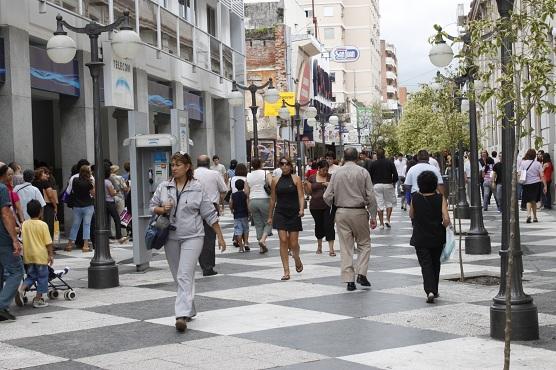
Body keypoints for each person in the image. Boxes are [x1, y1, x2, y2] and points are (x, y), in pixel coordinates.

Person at [150, 152, 226, 332]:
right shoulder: (164, 186)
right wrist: (162, 208)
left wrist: (220, 236)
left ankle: (180, 315)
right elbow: (152, 206)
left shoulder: (197, 187)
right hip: (171, 236)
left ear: (187, 167)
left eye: (178, 165)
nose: (174, 168)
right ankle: (189, 308)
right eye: (172, 165)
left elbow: (209, 212)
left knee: (185, 274)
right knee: (179, 275)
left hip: (193, 236)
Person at [324, 147, 378, 291]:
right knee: (364, 244)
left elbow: (326, 196)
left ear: (344, 157)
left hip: (341, 212)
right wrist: (373, 216)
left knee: (346, 247)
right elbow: (371, 196)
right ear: (357, 158)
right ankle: (361, 272)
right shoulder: (363, 172)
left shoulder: (336, 173)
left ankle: (349, 280)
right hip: (359, 211)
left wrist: (334, 204)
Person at [409, 171, 451, 303]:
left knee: (425, 264)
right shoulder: (440, 198)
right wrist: (444, 225)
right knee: (435, 263)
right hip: (437, 236)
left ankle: (430, 290)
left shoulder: (415, 197)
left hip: (420, 237)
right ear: (434, 184)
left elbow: (411, 215)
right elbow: (446, 219)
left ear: (420, 184)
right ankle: (435, 289)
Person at [268, 157, 304, 281]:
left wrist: (302, 209)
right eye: (282, 164)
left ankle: (297, 258)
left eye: (286, 164)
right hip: (280, 212)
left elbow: (301, 195)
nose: (284, 166)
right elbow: (273, 198)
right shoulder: (275, 180)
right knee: (283, 240)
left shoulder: (296, 179)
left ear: (290, 165)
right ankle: (286, 271)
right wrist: (270, 216)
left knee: (293, 243)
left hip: (294, 212)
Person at [15, 200, 54, 308]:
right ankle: (38, 299)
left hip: (28, 256)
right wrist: (50, 255)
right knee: (42, 277)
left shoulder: (25, 224)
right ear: (41, 212)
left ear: (28, 211)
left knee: (31, 276)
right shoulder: (43, 225)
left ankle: (21, 289)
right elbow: (48, 242)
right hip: (41, 256)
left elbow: (20, 236)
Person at [195, 155, 228, 276]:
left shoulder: (192, 174)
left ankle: (202, 263)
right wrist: (219, 201)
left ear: (197, 163)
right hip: (211, 206)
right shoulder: (214, 174)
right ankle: (208, 266)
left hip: (195, 207)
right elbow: (224, 189)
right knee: (209, 237)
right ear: (209, 163)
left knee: (197, 236)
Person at [0, 180, 23, 321]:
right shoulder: (1, 189)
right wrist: (14, 239)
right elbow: (5, 214)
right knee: (17, 271)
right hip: (2, 238)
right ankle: (1, 305)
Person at [305, 160, 336, 256]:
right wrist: (321, 184)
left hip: (328, 205)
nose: (325, 172)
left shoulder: (331, 177)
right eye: (323, 170)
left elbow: (336, 188)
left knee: (329, 225)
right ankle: (319, 246)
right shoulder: (312, 177)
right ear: (318, 169)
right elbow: (308, 191)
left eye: (326, 170)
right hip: (315, 206)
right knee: (319, 225)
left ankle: (331, 249)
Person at [65, 165, 95, 252]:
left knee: (75, 225)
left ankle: (69, 245)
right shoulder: (89, 183)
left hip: (77, 205)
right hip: (88, 205)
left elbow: (72, 191)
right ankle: (85, 246)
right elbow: (93, 194)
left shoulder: (74, 180)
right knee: (86, 225)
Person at [367, 149, 398, 229]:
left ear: (377, 155)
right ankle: (387, 219)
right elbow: (395, 175)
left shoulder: (373, 164)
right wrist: (393, 182)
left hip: (377, 185)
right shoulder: (390, 163)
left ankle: (381, 224)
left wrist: (373, 183)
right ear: (384, 154)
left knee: (379, 204)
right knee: (389, 203)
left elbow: (369, 175)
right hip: (388, 184)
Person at [246, 158, 271, 253]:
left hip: (252, 201)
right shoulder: (266, 173)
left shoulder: (248, 175)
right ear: (260, 164)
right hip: (264, 199)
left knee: (258, 224)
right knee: (269, 221)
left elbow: (247, 192)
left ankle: (261, 247)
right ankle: (263, 240)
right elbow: (271, 184)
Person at [519, 149, 546, 223]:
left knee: (528, 200)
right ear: (534, 155)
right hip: (536, 183)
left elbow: (519, 173)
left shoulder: (523, 163)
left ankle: (528, 215)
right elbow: (542, 175)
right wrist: (545, 185)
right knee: (533, 200)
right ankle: (534, 217)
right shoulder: (538, 164)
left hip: (526, 184)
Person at [32, 167, 57, 239]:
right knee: (48, 226)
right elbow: (50, 195)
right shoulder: (45, 183)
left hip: (36, 206)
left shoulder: (33, 183)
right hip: (47, 207)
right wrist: (55, 206)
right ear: (40, 174)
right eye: (45, 174)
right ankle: (49, 245)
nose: (48, 176)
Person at [104, 165, 126, 243]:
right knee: (117, 218)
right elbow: (112, 193)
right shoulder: (108, 182)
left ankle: (106, 236)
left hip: (103, 202)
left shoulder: (100, 181)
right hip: (110, 202)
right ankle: (119, 236)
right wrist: (116, 191)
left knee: (106, 219)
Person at [230, 179, 249, 253]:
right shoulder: (245, 194)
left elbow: (231, 204)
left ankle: (241, 247)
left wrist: (232, 210)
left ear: (235, 186)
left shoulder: (233, 195)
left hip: (236, 215)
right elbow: (247, 204)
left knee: (238, 231)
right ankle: (246, 243)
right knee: (246, 229)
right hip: (244, 214)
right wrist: (249, 212)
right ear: (244, 186)